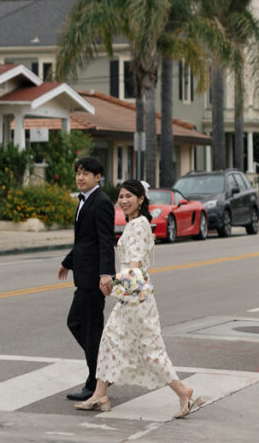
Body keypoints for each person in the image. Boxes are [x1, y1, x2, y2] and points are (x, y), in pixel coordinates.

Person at [75, 178, 204, 419]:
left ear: (141, 199)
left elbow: (133, 267)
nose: (123, 201)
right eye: (120, 197)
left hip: (135, 299)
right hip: (133, 297)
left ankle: (184, 392)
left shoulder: (138, 225)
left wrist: (112, 283)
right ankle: (100, 394)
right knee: (110, 341)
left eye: (128, 197)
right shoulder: (137, 223)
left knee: (149, 351)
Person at [57, 156, 116, 402]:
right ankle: (103, 368)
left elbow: (105, 241)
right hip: (83, 276)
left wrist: (106, 274)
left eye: (86, 173)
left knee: (87, 329)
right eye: (78, 173)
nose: (80, 177)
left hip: (93, 279)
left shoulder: (101, 202)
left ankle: (95, 382)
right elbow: (84, 240)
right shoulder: (85, 201)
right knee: (79, 325)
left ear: (97, 177)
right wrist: (67, 262)